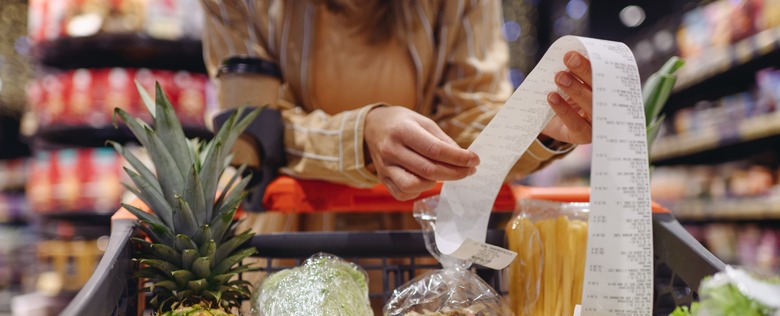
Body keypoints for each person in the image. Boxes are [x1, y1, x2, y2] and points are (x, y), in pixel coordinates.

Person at [199, 0, 593, 230]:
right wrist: (361, 136)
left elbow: (471, 117)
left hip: (418, 251)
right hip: (288, 242)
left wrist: (541, 127)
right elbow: (249, 131)